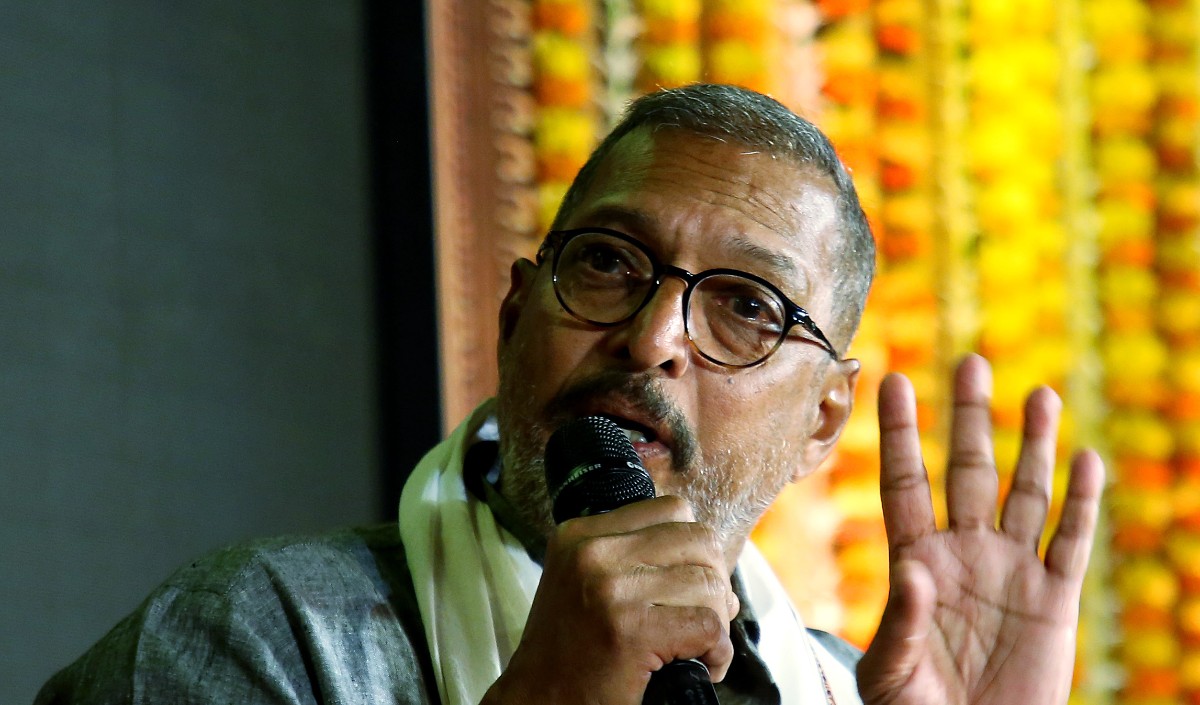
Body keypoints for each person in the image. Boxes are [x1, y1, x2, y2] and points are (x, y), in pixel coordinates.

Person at [36, 84, 1104, 705]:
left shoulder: (847, 689)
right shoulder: (264, 634)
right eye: (605, 263)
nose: (652, 339)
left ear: (822, 422)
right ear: (516, 317)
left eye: (746, 305)